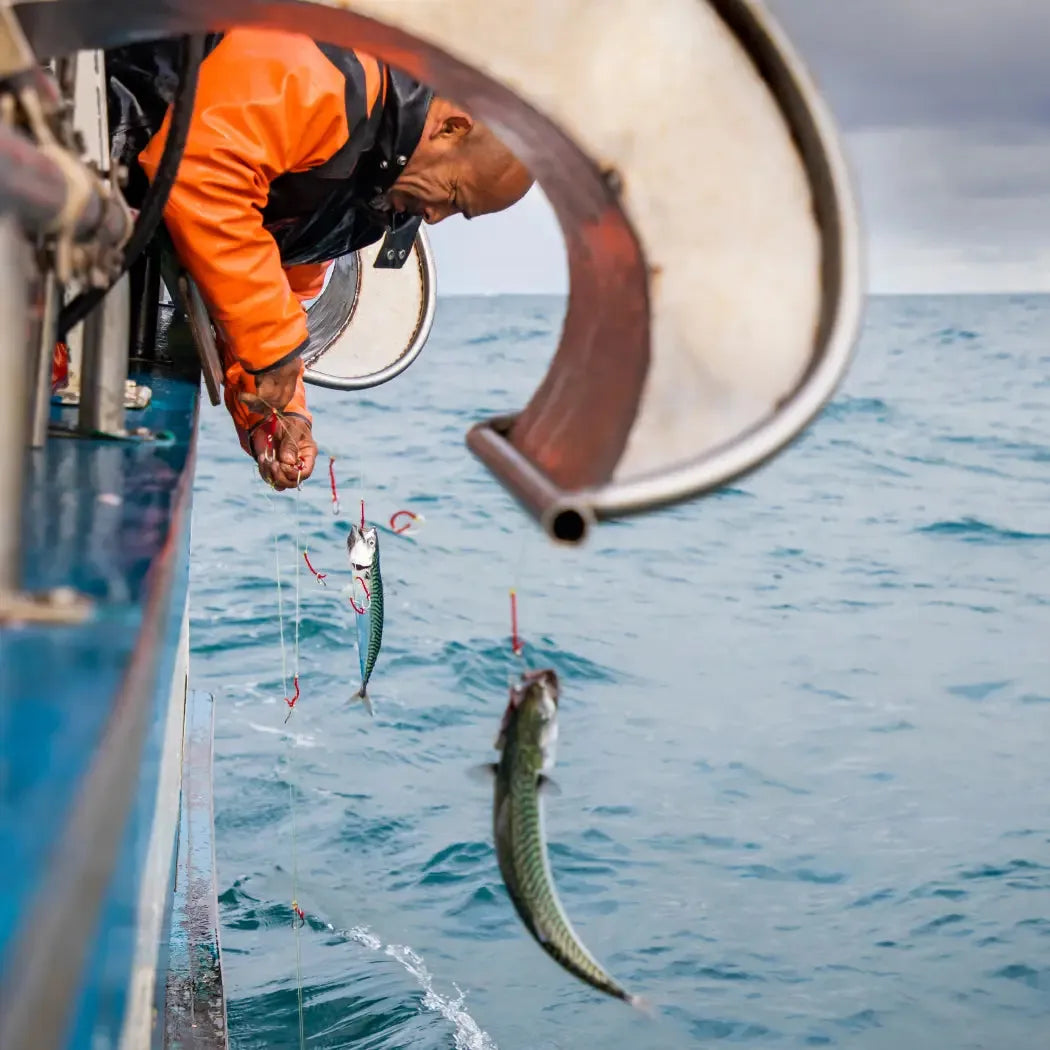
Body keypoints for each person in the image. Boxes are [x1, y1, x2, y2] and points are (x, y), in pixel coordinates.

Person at [107, 28, 533, 489]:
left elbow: (267, 285)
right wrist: (271, 346)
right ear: (451, 128)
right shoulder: (330, 67)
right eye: (453, 196)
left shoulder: (368, 195)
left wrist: (281, 416)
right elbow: (200, 169)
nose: (435, 219)